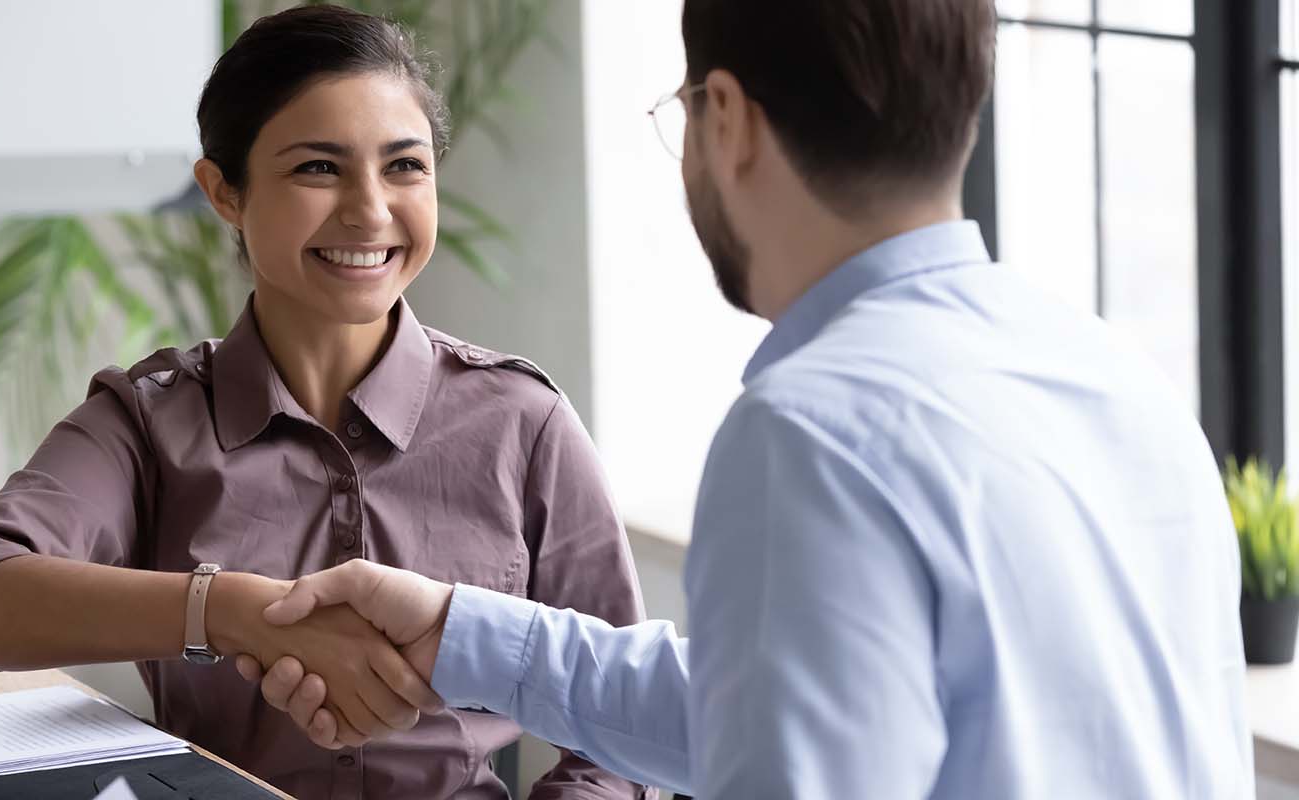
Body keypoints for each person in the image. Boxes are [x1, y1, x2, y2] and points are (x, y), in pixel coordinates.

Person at [236, 0, 1255, 797]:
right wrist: (462, 631)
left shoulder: (812, 431)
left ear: (725, 119)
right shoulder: (1117, 378)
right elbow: (782, 706)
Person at [0, 6, 653, 799]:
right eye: (318, 169)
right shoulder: (149, 422)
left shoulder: (523, 423)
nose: (370, 210)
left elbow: (624, 725)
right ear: (224, 192)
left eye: (404, 166)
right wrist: (229, 610)